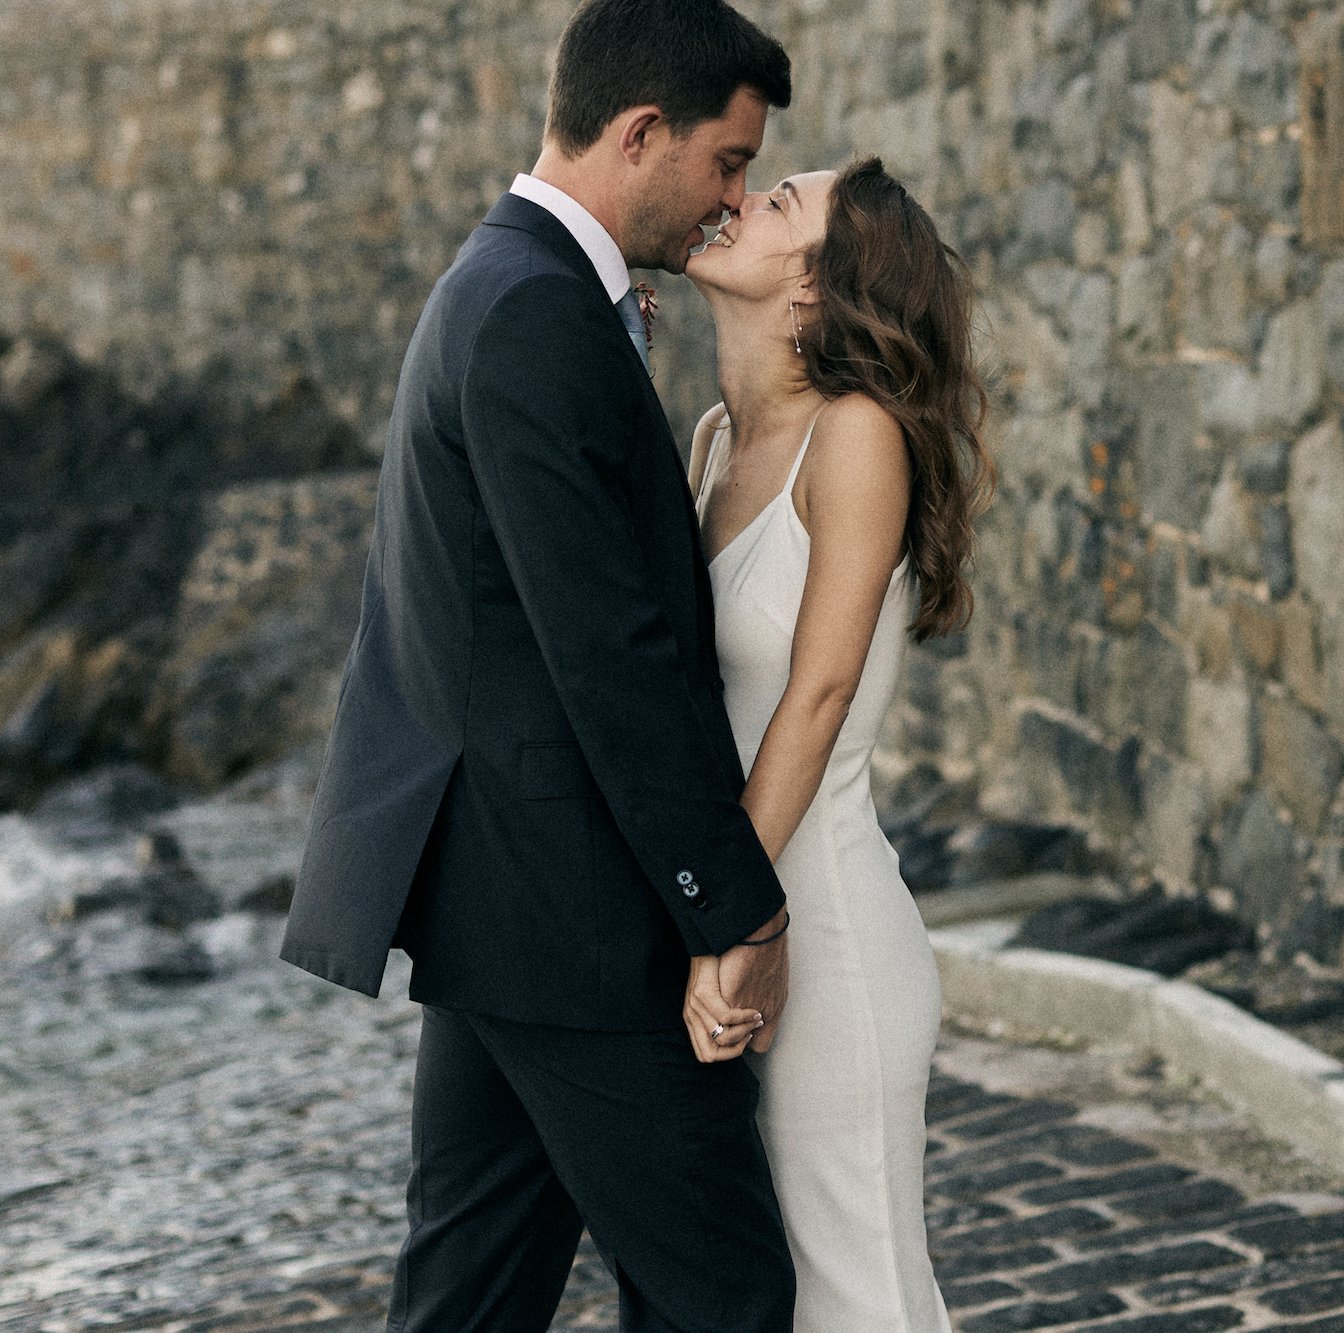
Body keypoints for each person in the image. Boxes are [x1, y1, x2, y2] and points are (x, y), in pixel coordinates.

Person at [277, 1, 802, 1328]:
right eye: (727, 162)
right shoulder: (533, 313)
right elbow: (607, 656)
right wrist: (732, 908)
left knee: (467, 1297)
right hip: (574, 921)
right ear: (641, 132)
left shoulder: (507, 285)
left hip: (496, 907)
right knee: (723, 1290)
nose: (728, 199)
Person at [679, 156, 992, 1330]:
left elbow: (815, 697)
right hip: (750, 915)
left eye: (779, 205)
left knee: (860, 1297)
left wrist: (724, 913)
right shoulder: (712, 440)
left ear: (813, 286)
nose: (741, 200)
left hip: (829, 941)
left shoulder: (856, 435)